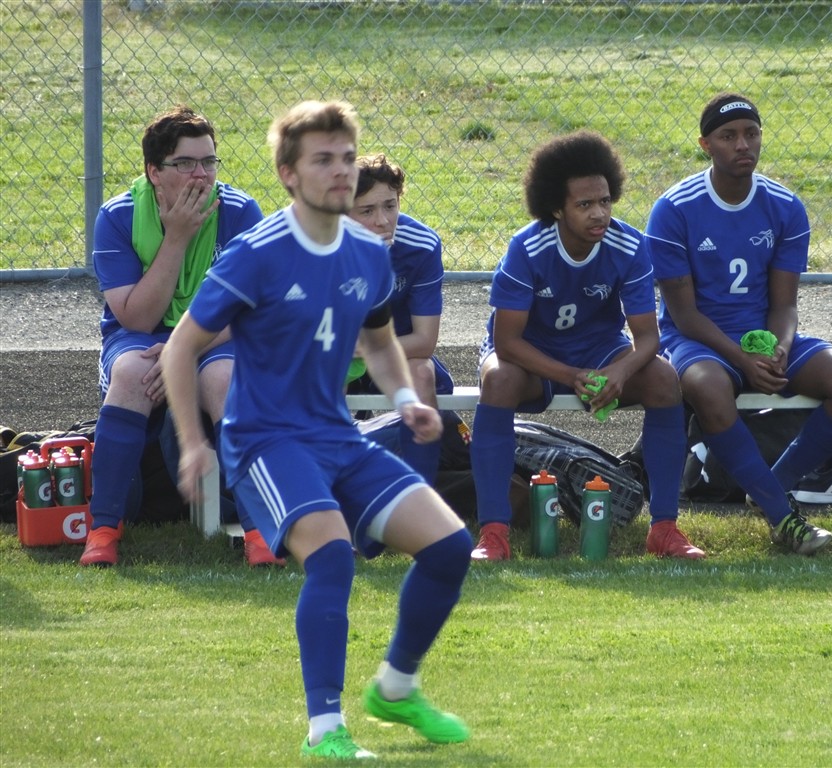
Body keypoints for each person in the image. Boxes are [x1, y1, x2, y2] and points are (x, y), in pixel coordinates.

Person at [161, 99, 473, 759]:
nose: (341, 171)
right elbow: (180, 348)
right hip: (265, 441)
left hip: (337, 437)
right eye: (323, 159)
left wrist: (404, 398)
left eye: (348, 158)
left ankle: (396, 687)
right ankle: (325, 731)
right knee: (331, 557)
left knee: (449, 547)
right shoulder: (257, 254)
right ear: (288, 173)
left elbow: (380, 342)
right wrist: (192, 443)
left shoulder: (367, 253)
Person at [646, 92, 832, 556]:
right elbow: (684, 315)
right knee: (709, 387)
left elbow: (784, 306)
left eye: (751, 134)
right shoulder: (674, 209)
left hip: (761, 337)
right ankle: (782, 517)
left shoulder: (785, 206)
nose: (743, 145)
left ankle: (770, 487)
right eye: (728, 136)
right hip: (697, 339)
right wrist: (742, 360)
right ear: (705, 145)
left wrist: (778, 347)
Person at [470, 129, 705, 561]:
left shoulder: (630, 245)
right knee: (498, 381)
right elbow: (507, 342)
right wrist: (571, 376)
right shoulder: (526, 247)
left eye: (605, 201)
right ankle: (494, 534)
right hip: (531, 353)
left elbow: (648, 338)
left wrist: (619, 372)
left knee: (663, 379)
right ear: (557, 208)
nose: (599, 213)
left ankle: (665, 528)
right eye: (584, 205)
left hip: (597, 349)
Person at [79, 105, 282, 568]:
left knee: (225, 381)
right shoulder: (118, 216)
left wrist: (183, 349)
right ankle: (103, 530)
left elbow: (253, 311)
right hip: (143, 335)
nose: (201, 175)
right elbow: (137, 318)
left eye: (209, 161)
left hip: (219, 335)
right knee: (131, 373)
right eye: (186, 163)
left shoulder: (240, 211)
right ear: (154, 172)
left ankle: (259, 532)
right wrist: (176, 239)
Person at [346, 153, 454, 484]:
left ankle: (423, 494)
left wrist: (368, 346)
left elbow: (424, 341)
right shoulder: (320, 245)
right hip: (339, 354)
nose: (382, 220)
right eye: (367, 210)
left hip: (398, 351)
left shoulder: (421, 245)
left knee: (422, 373)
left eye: (390, 206)